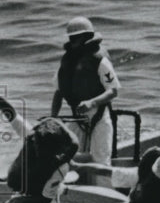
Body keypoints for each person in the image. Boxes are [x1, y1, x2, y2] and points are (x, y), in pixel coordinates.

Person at [0, 84, 78, 203]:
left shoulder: (60, 167)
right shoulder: (33, 136)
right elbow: (10, 113)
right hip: (29, 184)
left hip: (43, 197)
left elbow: (45, 200)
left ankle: (60, 188)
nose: (37, 150)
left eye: (42, 149)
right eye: (36, 144)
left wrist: (23, 200)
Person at [50, 16, 120, 166]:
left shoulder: (100, 60)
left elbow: (113, 91)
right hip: (77, 114)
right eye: (71, 38)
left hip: (99, 114)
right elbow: (58, 92)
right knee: (67, 155)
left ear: (87, 37)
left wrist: (92, 102)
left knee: (101, 159)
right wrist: (53, 117)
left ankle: (102, 185)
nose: (73, 41)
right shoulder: (67, 61)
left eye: (76, 37)